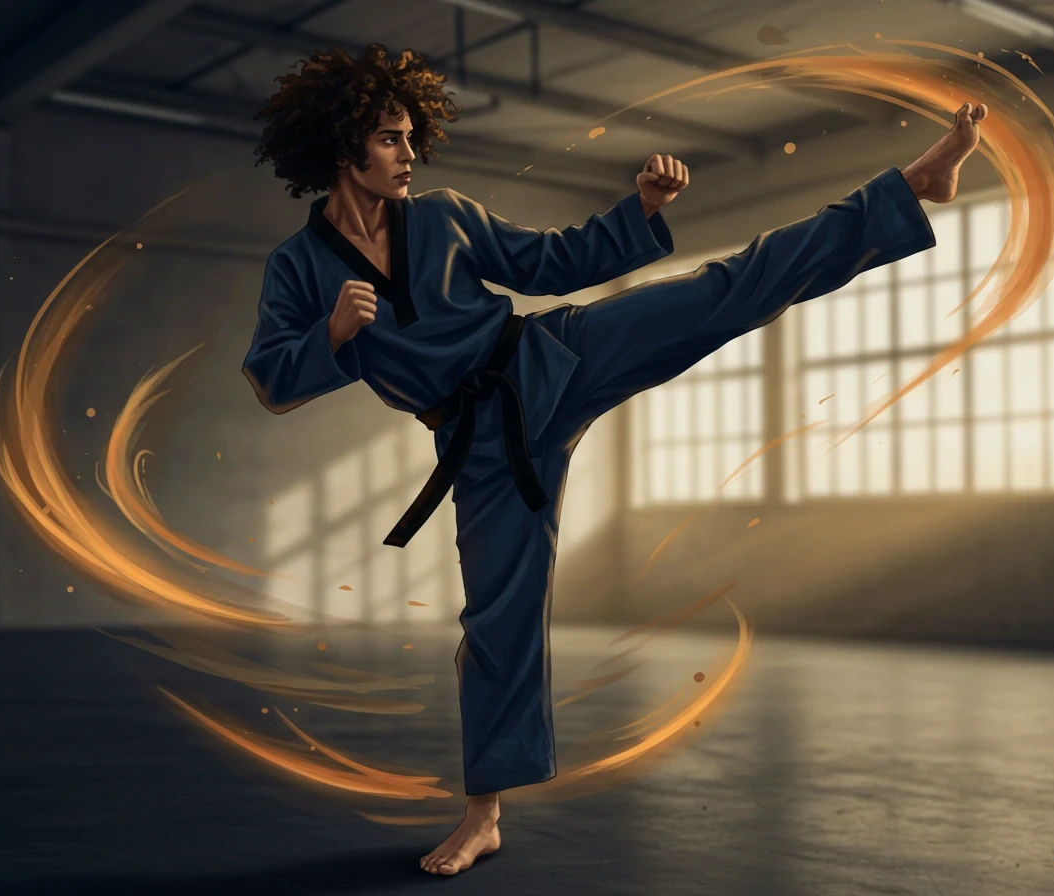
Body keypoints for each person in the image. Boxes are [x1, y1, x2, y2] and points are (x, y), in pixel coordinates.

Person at [243, 43, 988, 877]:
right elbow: (273, 382)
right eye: (390, 138)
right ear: (343, 148)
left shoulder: (446, 214)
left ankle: (912, 187)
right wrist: (332, 336)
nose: (409, 154)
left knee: (724, 289)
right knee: (497, 624)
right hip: (480, 444)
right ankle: (483, 816)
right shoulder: (298, 269)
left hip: (549, 357)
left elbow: (549, 262)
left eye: (411, 136)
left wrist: (639, 207)